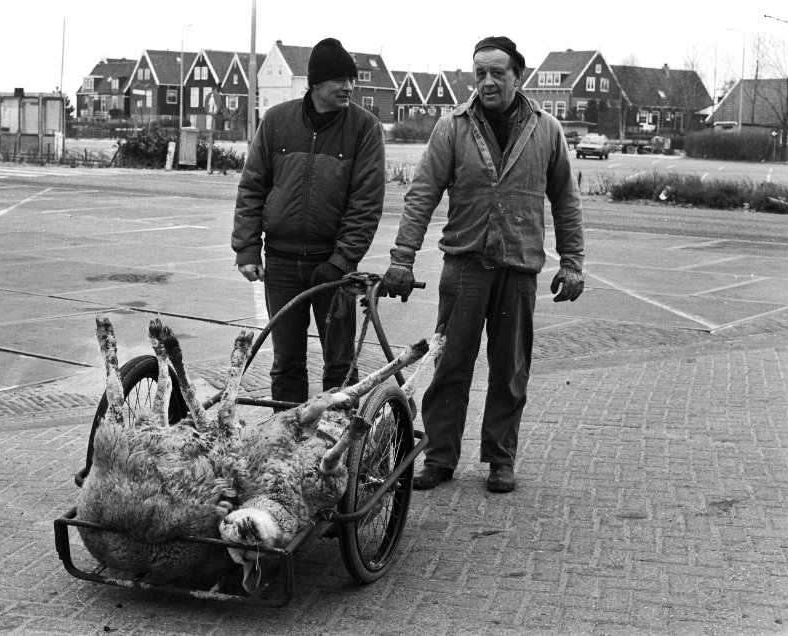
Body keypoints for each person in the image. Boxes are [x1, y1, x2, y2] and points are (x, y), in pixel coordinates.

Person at [383, 36, 585, 492]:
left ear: (518, 76)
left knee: (510, 370)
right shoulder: (451, 127)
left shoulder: (547, 130)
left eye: (497, 72)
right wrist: (402, 258)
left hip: (519, 268)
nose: (488, 81)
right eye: (480, 73)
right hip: (465, 267)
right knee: (451, 366)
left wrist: (572, 262)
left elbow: (567, 202)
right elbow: (422, 194)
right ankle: (438, 458)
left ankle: (499, 460)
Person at [232, 37, 386, 407]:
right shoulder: (276, 121)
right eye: (340, 81)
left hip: (333, 267)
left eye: (352, 80)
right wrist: (248, 248)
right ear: (315, 84)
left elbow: (366, 204)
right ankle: (287, 440)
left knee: (340, 366)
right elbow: (252, 187)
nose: (349, 88)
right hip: (282, 265)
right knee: (286, 364)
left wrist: (341, 262)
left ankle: (336, 447)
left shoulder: (364, 128)